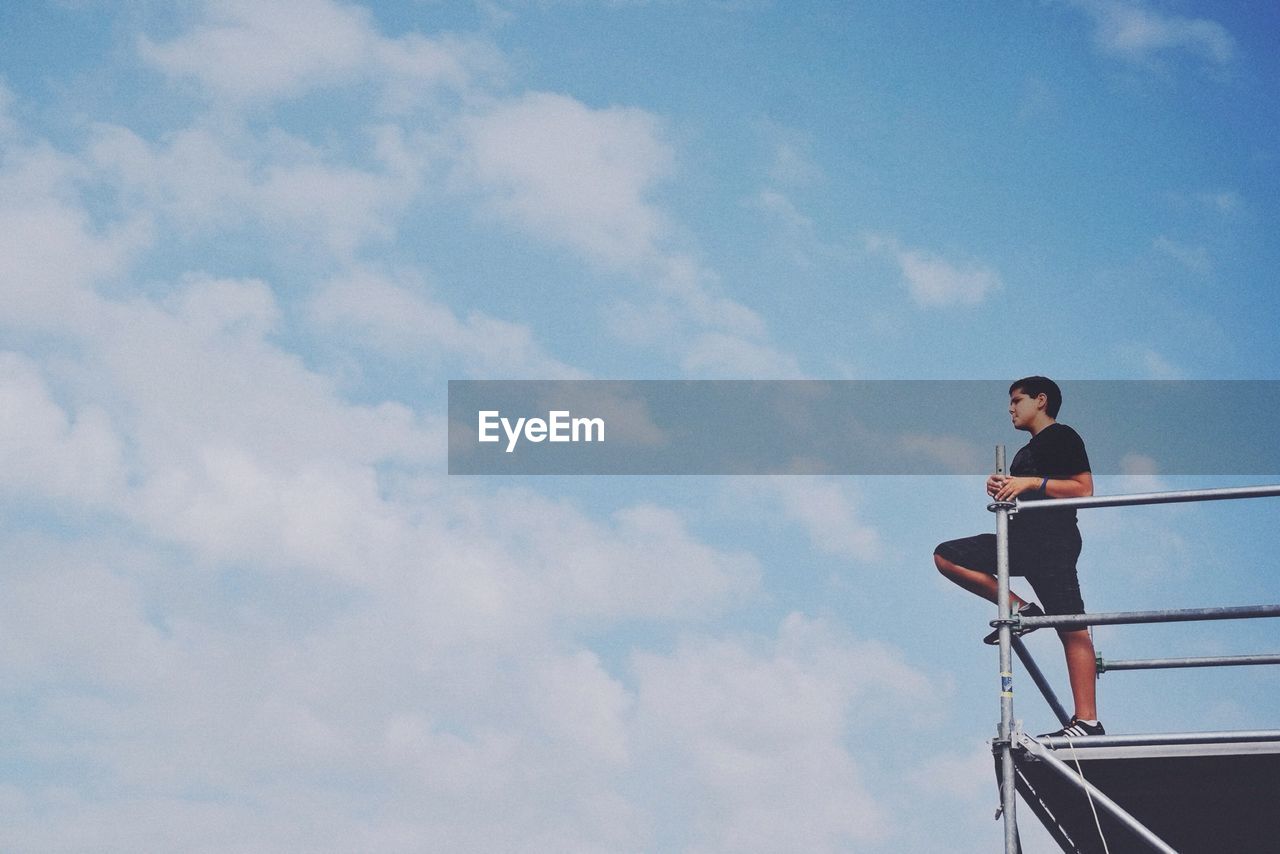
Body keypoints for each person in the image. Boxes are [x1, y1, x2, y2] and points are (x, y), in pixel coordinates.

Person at [933, 376, 1104, 739]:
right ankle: (1021, 608)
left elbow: (1083, 489)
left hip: (1054, 541)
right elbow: (1027, 492)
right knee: (947, 556)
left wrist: (1029, 484)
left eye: (1016, 400)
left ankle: (1087, 721)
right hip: (1024, 537)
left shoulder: (1063, 437)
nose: (1010, 408)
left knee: (1072, 626)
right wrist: (1005, 488)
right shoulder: (1027, 450)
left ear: (1040, 400)